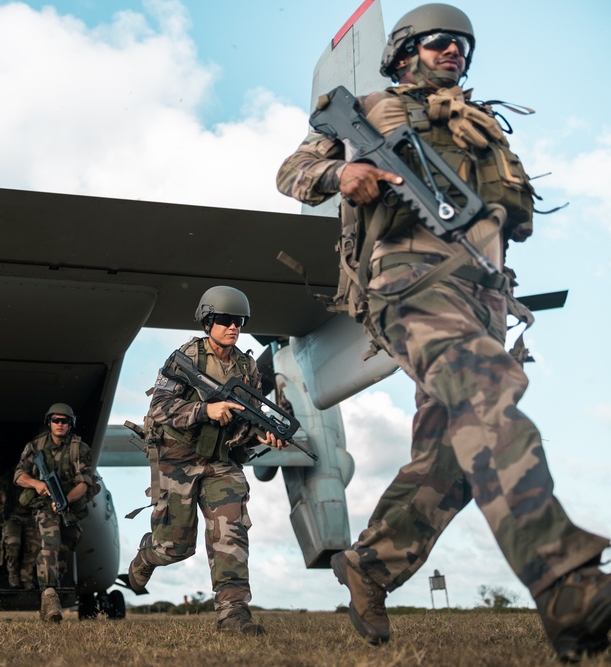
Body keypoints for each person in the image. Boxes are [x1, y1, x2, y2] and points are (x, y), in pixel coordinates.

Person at [277, 3, 611, 660]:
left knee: (455, 459)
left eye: (462, 44)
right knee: (485, 398)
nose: (453, 52)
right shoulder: (371, 107)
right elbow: (291, 171)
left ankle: (369, 563)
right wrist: (339, 173)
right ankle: (567, 581)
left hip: (483, 297)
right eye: (437, 42)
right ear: (404, 52)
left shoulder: (483, 128)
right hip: (408, 281)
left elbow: (513, 218)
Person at [125, 286, 283, 636]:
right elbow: (159, 408)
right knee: (175, 547)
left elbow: (251, 417)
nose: (234, 327)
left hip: (221, 461)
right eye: (226, 320)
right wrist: (204, 409)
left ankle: (233, 615)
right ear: (208, 321)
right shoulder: (184, 359)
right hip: (178, 459)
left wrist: (265, 435)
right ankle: (147, 555)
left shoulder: (246, 366)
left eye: (239, 321)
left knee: (231, 532)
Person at [14, 402, 96, 623]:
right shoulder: (36, 446)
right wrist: (37, 484)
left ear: (71, 424)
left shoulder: (80, 448)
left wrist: (65, 500)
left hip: (68, 506)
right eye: (55, 420)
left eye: (64, 421)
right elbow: (19, 475)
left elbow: (84, 484)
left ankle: (47, 599)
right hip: (43, 505)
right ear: (49, 422)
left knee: (66, 546)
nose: (59, 424)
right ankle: (50, 595)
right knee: (50, 544)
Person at [0, 471, 40, 590]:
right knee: (13, 545)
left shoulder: (36, 477)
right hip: (12, 517)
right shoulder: (5, 480)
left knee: (34, 547)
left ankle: (26, 577)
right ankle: (13, 576)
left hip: (30, 517)